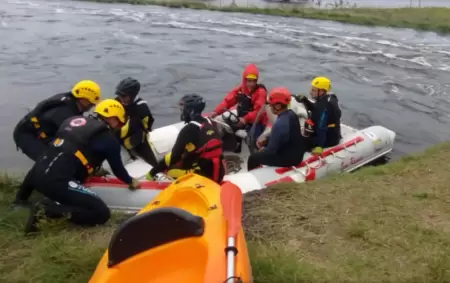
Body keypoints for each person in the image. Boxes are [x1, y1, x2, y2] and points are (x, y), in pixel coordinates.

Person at [22, 99, 141, 234]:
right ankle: (48, 210)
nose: (118, 126)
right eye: (118, 122)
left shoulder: (72, 120)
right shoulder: (109, 141)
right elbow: (118, 169)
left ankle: (25, 202)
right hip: (57, 181)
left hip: (37, 174)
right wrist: (130, 181)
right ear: (112, 118)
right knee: (101, 213)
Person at [13, 80, 101, 162]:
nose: (92, 105)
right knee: (48, 161)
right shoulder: (63, 112)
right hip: (28, 135)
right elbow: (72, 136)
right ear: (82, 98)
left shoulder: (72, 103)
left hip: (46, 131)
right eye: (91, 102)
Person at [147, 94, 225, 183]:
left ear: (190, 111)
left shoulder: (189, 129)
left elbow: (174, 157)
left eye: (182, 109)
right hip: (219, 171)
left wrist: (163, 165)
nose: (181, 112)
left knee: (170, 170)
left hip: (203, 176)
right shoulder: (211, 122)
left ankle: (150, 176)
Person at [211, 63, 268, 152]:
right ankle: (226, 146)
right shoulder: (241, 89)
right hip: (242, 116)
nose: (251, 84)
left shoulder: (260, 92)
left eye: (254, 81)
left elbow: (258, 112)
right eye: (249, 81)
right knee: (220, 122)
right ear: (244, 80)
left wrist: (245, 119)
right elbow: (228, 101)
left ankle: (256, 156)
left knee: (254, 140)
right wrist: (216, 111)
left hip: (257, 121)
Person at [247, 87, 306, 171]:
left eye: (271, 104)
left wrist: (262, 151)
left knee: (253, 158)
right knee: (262, 149)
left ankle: (254, 176)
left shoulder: (280, 124)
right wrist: (266, 142)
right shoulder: (291, 114)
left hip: (290, 159)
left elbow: (271, 151)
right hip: (296, 153)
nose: (270, 107)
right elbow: (283, 138)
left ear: (278, 106)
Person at [115, 77, 157, 166]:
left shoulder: (141, 108)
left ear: (132, 95)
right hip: (117, 134)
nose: (121, 99)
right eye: (119, 95)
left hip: (136, 138)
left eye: (124, 96)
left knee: (152, 162)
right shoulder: (116, 102)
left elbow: (147, 125)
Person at [294, 77, 342, 155]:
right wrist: (305, 100)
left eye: (313, 90)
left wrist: (319, 146)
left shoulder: (325, 106)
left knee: (296, 142)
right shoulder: (327, 99)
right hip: (331, 133)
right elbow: (316, 110)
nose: (310, 92)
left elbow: (321, 127)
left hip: (327, 139)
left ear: (321, 91)